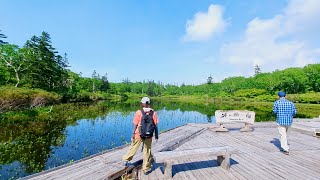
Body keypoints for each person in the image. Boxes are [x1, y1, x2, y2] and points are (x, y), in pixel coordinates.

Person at [122, 97, 159, 175]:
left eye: (141, 102)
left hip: (138, 134)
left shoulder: (139, 112)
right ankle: (146, 169)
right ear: (149, 103)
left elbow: (135, 124)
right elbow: (155, 126)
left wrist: (132, 134)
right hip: (149, 135)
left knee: (133, 148)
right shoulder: (153, 112)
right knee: (147, 151)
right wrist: (156, 135)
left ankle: (126, 160)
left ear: (143, 103)